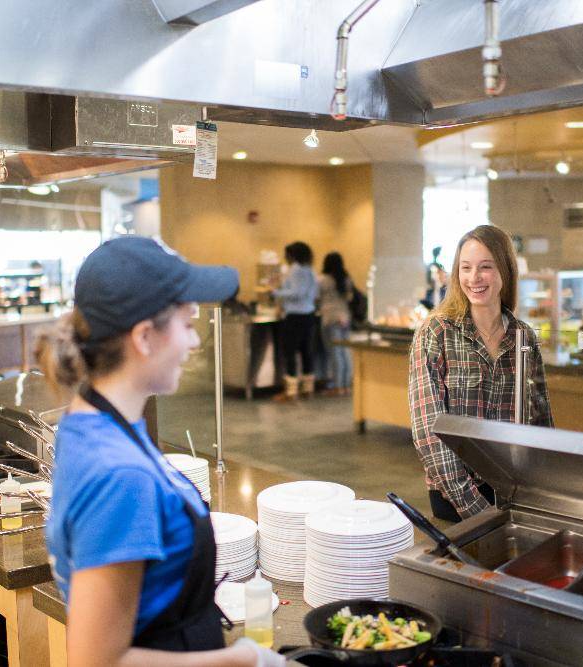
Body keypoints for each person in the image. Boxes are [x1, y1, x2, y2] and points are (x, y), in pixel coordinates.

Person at [35, 236, 283, 666]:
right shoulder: (119, 474)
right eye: (187, 324)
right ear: (145, 337)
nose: (194, 343)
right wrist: (241, 659)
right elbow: (98, 661)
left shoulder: (90, 420)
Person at [409, 225, 553, 522]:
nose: (473, 278)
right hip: (454, 499)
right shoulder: (436, 332)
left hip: (515, 493)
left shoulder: (523, 337)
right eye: (466, 268)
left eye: (485, 267)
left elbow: (541, 423)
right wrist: (474, 507)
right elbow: (428, 430)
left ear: (505, 271)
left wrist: (544, 492)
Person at [272, 241, 319, 400]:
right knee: (307, 352)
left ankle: (291, 392)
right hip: (309, 314)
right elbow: (313, 293)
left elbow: (295, 292)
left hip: (294, 315)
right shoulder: (311, 271)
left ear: (292, 255)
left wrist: (276, 292)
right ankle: (308, 388)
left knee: (290, 352)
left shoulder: (295, 270)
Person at [317, 252, 353, 396]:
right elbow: (350, 297)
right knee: (345, 352)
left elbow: (316, 298)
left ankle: (337, 386)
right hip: (345, 317)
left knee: (334, 352)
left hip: (330, 318)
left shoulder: (323, 280)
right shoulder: (346, 278)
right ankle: (346, 385)